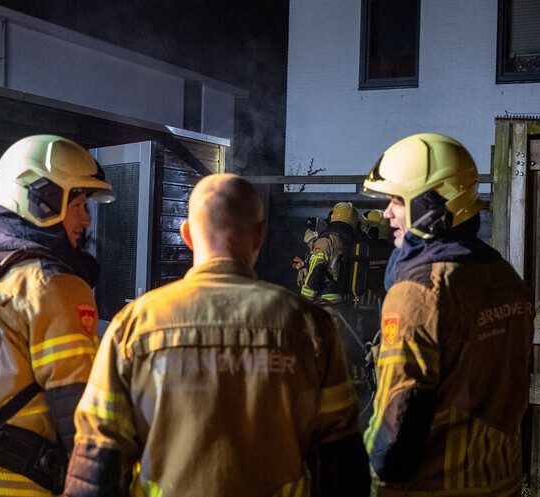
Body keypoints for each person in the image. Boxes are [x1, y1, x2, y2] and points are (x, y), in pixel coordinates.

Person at [64, 173, 370, 497]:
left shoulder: (135, 324)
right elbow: (340, 464)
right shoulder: (311, 326)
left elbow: (98, 460)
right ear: (259, 235)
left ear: (186, 235)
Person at [0, 135, 114, 497]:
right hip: (15, 485)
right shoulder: (53, 282)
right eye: (78, 204)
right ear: (42, 199)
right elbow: (81, 414)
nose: (86, 220)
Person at [361, 133, 534, 497]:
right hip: (498, 481)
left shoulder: (420, 293)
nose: (386, 213)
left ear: (429, 203)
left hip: (433, 486)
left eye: (396, 200)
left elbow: (397, 434)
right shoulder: (504, 276)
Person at [299, 202, 358, 305]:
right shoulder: (353, 242)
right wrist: (313, 241)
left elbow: (318, 267)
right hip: (342, 297)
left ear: (332, 216)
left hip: (325, 299)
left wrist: (305, 298)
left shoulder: (327, 240)